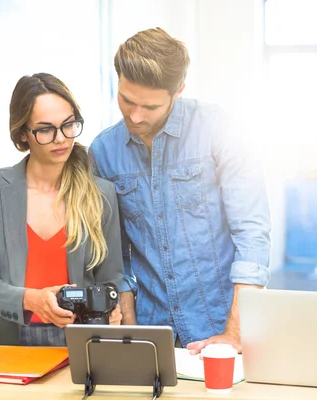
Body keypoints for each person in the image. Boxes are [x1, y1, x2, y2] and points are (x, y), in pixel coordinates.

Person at [89, 28, 271, 353]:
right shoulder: (103, 151)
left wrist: (235, 332)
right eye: (127, 100)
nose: (134, 115)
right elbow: (117, 253)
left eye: (150, 107)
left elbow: (252, 235)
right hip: (151, 331)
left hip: (221, 325)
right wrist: (129, 328)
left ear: (178, 91)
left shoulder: (219, 129)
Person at [0, 73, 135, 346]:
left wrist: (109, 310)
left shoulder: (100, 194)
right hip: (2, 340)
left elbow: (111, 277)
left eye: (69, 125)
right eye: (45, 129)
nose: (61, 139)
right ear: (22, 134)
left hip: (78, 338)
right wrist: (31, 300)